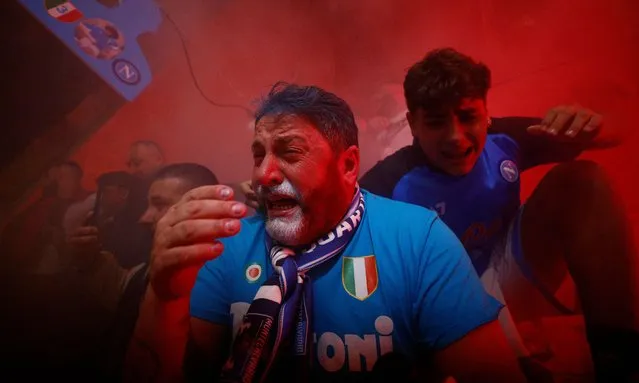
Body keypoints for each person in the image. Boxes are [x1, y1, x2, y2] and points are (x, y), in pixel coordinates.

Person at [125, 83, 526, 383]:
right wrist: (164, 297)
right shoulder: (226, 247)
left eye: (290, 153)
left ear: (349, 166)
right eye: (258, 154)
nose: (264, 174)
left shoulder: (418, 241)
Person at [358, 48, 638, 382]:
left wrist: (591, 122)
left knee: (585, 182)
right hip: (441, 302)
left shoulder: (505, 139)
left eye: (467, 117)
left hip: (507, 270)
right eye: (436, 122)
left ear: (487, 113)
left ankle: (620, 365)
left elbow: (618, 133)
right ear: (412, 124)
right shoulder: (386, 182)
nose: (456, 137)